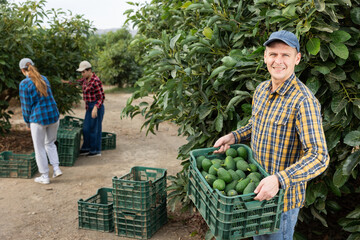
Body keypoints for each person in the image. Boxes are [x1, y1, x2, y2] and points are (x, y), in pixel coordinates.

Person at [213, 30, 329, 239]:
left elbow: (319, 156)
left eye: (286, 55)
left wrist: (279, 179)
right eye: (273, 54)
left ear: (297, 59)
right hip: (256, 192)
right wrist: (234, 136)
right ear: (265, 57)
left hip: (280, 204)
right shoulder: (261, 90)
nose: (278, 61)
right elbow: (255, 125)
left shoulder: (303, 101)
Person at [19, 58, 63, 184]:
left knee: (39, 148)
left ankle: (45, 176)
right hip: (53, 116)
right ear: (33, 66)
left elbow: (26, 107)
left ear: (22, 70)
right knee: (50, 143)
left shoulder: (24, 84)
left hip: (38, 119)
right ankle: (56, 168)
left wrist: (27, 122)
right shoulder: (44, 78)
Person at [63, 61, 105, 157]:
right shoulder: (85, 80)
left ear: (89, 70)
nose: (82, 74)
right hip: (89, 106)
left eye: (83, 72)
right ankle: (86, 148)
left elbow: (101, 97)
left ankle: (95, 150)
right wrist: (64, 82)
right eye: (81, 72)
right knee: (86, 128)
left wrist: (95, 108)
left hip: (96, 107)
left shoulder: (96, 81)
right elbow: (76, 82)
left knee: (94, 129)